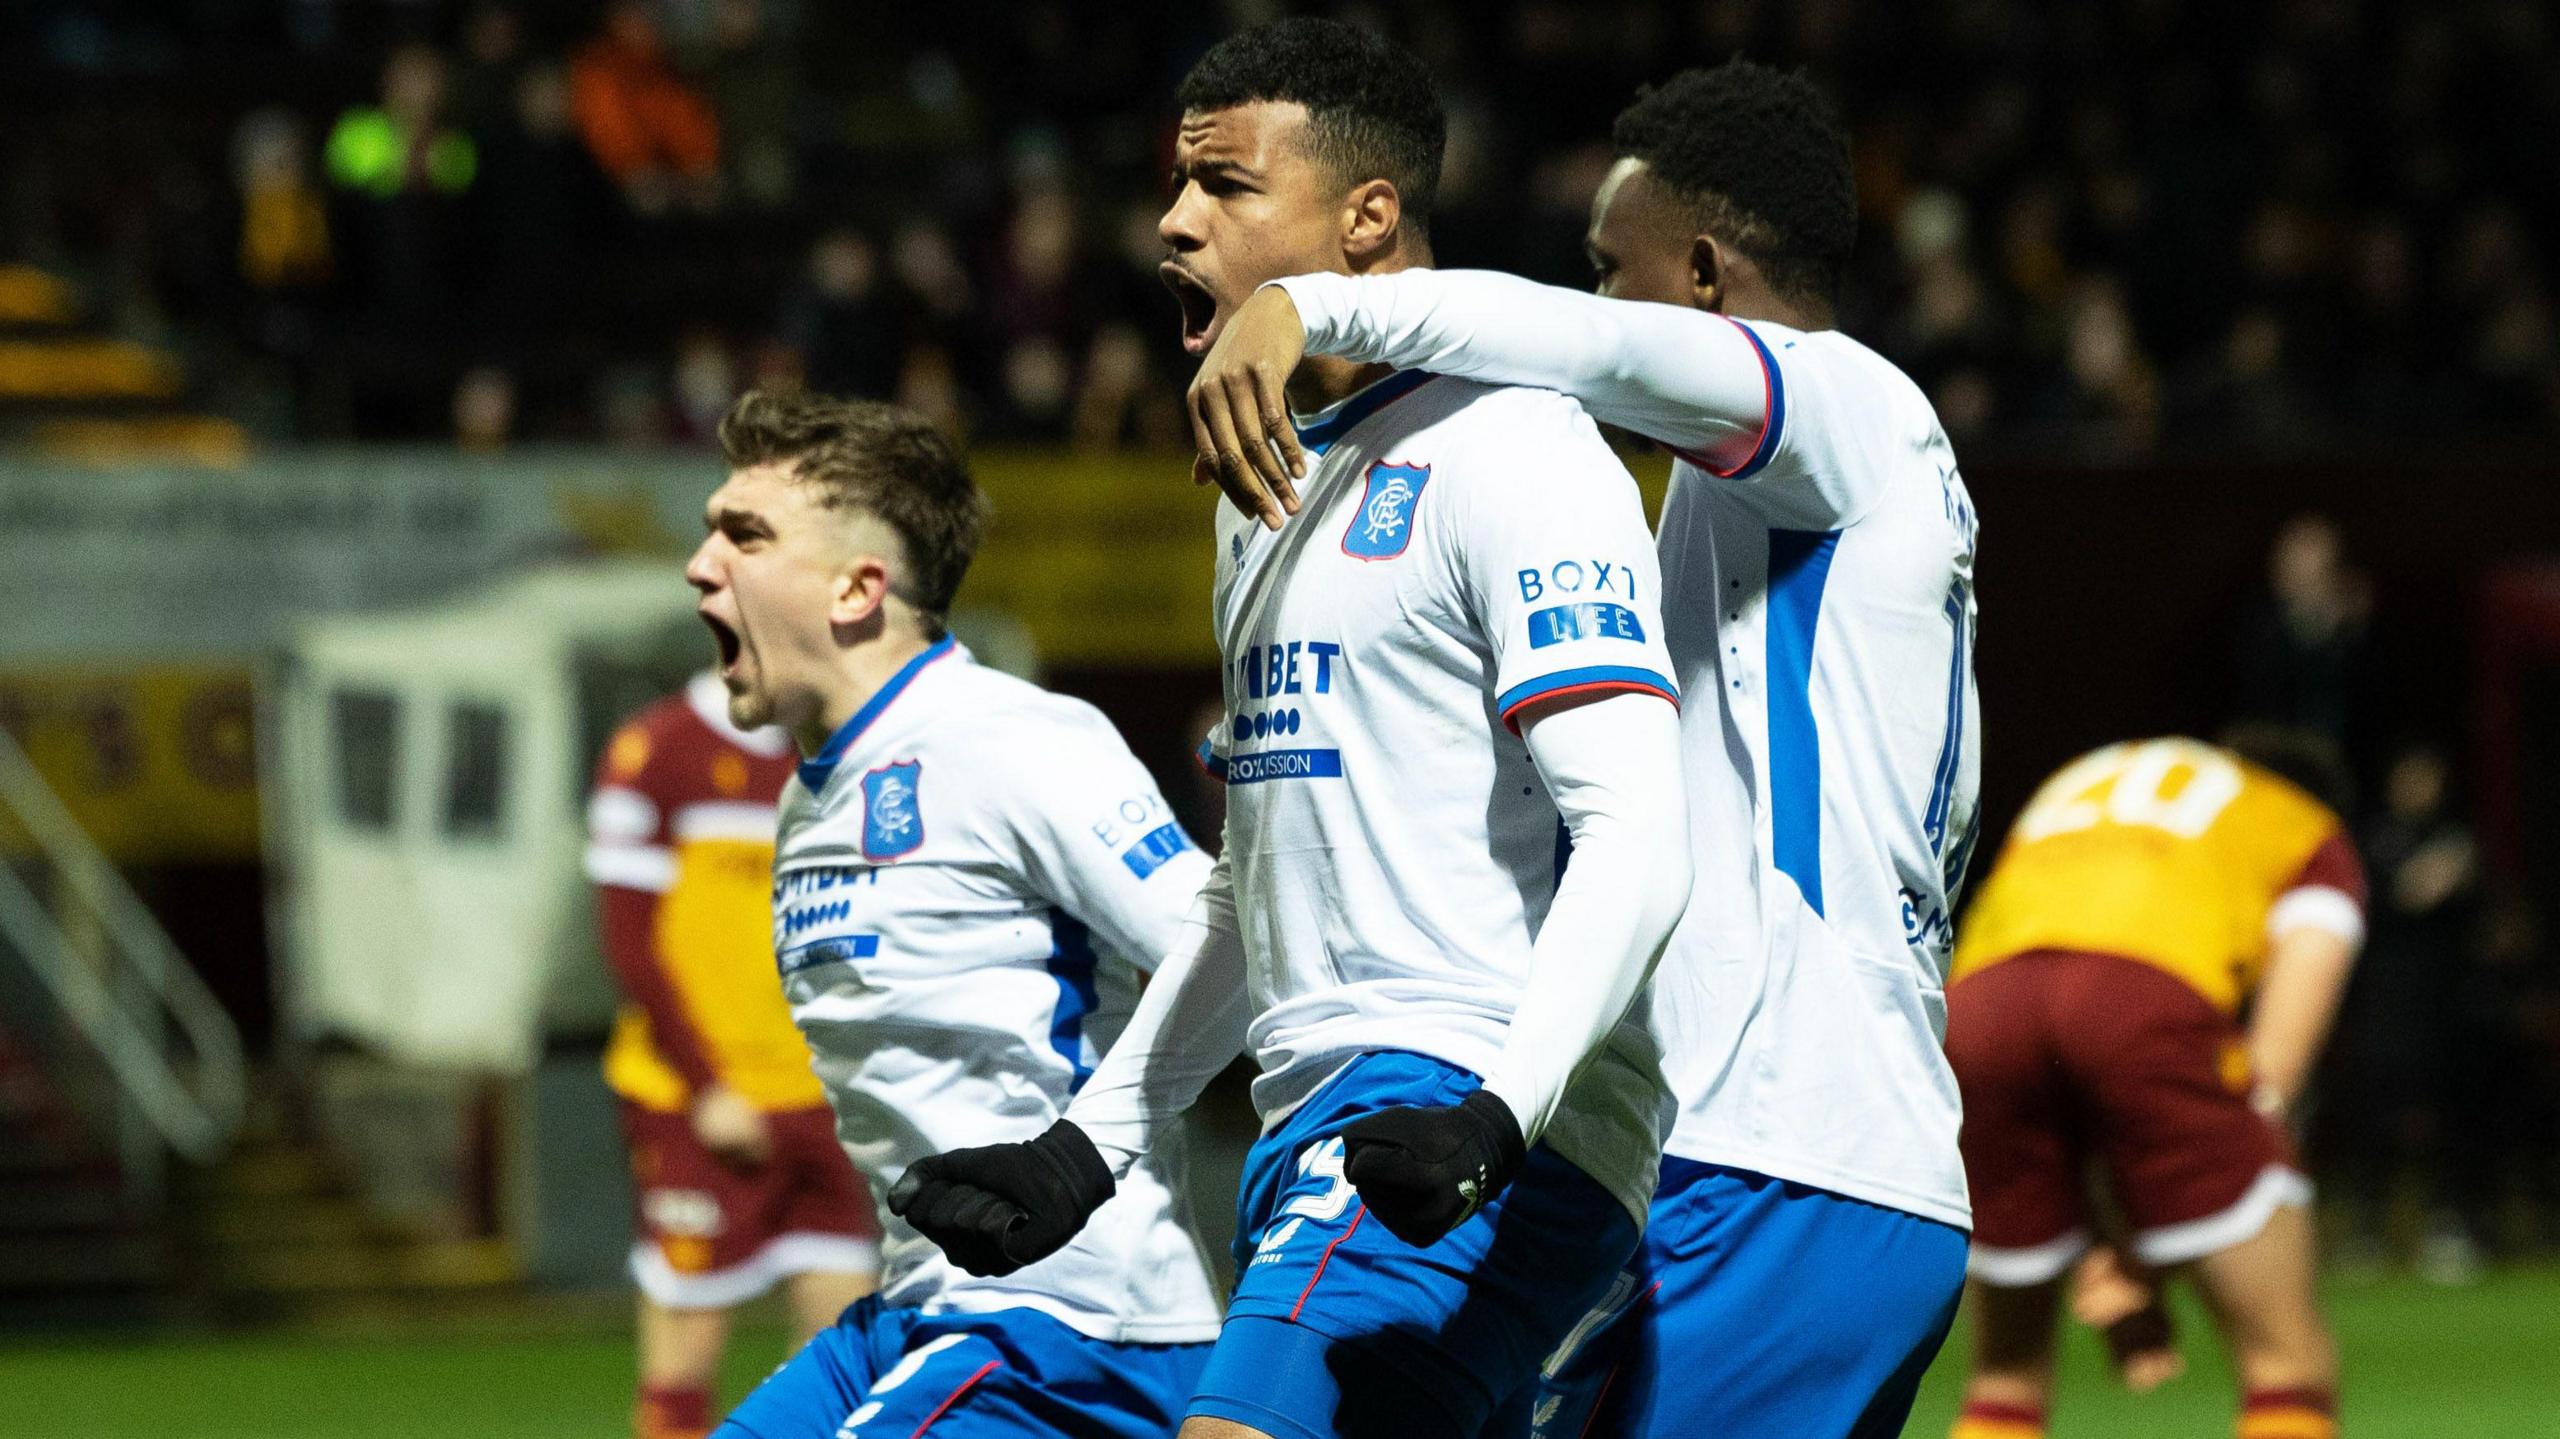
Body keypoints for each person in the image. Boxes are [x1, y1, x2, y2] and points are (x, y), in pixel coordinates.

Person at [890, 21, 1693, 1439]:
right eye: (1176, 186)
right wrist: (1090, 1143)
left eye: (1227, 187)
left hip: (1465, 1104)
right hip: (1328, 1120)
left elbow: (1641, 831)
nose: (1172, 221)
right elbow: (1250, 884)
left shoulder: (1514, 446)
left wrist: (1497, 1114)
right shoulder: (1263, 480)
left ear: (1366, 217)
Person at [1182, 59, 1977, 1439]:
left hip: (1768, 1146)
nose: (1597, 304)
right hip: (1846, 1155)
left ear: (1711, 276)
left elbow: (1583, 350)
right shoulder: (1763, 520)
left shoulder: (1840, 404)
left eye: (1617, 269)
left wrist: (1306, 304)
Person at [687, 388, 1223, 1439]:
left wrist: (1074, 1160)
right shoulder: (813, 793)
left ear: (857, 587)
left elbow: (1225, 942)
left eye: (743, 535)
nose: (701, 564)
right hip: (915, 1308)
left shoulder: (1012, 738)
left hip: (1072, 1323)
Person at [1943, 729, 2366, 1439]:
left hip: (1979, 1012)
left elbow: (2070, 1038)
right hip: (2144, 1002)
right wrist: (2151, 1253)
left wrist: (2121, 1243)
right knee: (2287, 1364)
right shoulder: (2302, 827)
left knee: (2004, 1379)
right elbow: (2272, 1074)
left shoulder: (2091, 776)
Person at [587, 673, 883, 1439]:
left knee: (846, 1354)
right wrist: (707, 1086)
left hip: (817, 1095)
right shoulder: (656, 749)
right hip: (694, 1102)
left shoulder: (845, 751)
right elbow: (629, 943)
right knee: (683, 1360)